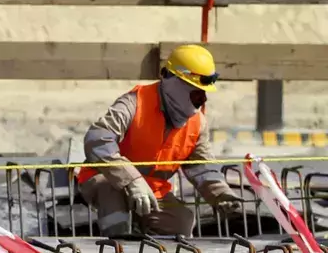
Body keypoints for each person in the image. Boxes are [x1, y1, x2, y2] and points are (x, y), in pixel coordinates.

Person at [75, 44, 240, 238]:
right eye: (196, 93)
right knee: (113, 198)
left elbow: (201, 167)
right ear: (174, 83)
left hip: (152, 188)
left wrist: (221, 194)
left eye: (203, 94)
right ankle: (117, 247)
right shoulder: (133, 104)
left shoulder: (197, 124)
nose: (202, 100)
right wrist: (132, 181)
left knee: (181, 221)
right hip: (103, 178)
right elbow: (97, 139)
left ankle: (150, 252)